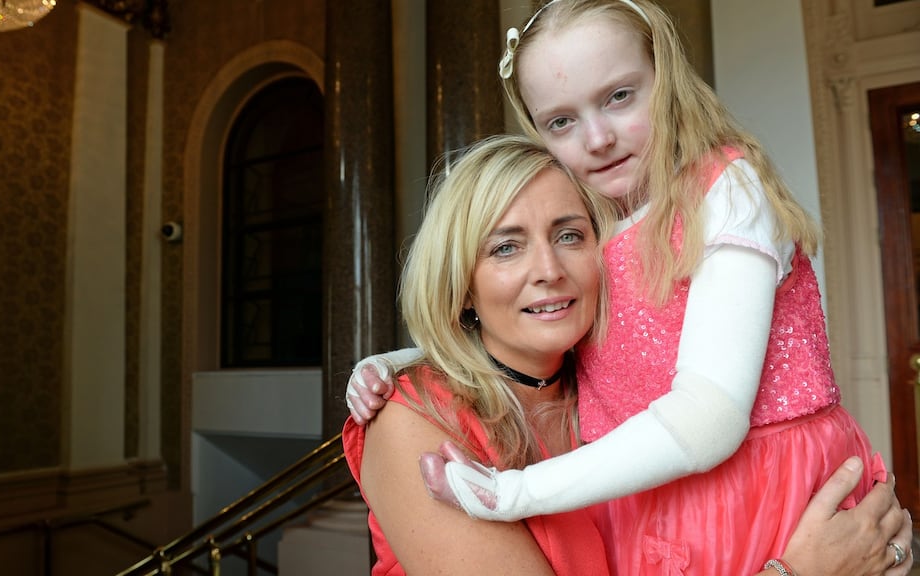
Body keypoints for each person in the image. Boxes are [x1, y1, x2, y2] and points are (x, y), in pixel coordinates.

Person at [345, 1, 916, 574]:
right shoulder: (417, 422)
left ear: (665, 80)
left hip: (764, 489)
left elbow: (707, 414)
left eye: (619, 96)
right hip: (678, 512)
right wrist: (397, 362)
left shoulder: (721, 190)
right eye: (560, 121)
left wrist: (513, 491)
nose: (596, 138)